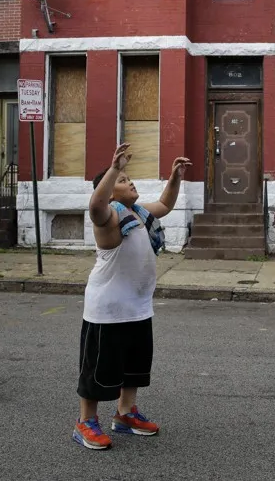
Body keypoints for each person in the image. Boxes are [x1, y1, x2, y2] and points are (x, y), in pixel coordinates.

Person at [72, 143, 192, 450]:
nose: (130, 182)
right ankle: (85, 422)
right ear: (111, 190)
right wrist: (113, 169)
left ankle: (125, 414)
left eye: (129, 178)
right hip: (107, 310)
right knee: (98, 371)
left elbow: (165, 205)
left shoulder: (138, 213)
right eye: (124, 180)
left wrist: (175, 177)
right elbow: (95, 206)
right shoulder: (109, 218)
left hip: (138, 308)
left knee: (134, 366)